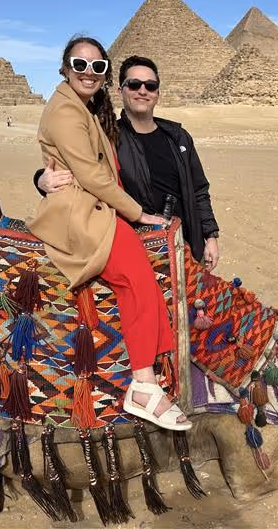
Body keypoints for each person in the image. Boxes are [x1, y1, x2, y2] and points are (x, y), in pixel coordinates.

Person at [26, 36, 190, 431]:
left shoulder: (90, 110)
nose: (88, 73)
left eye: (97, 67)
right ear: (65, 68)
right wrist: (138, 213)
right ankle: (144, 387)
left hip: (93, 205)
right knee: (134, 274)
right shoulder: (66, 111)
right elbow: (88, 173)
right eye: (79, 65)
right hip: (81, 212)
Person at [37, 55, 220, 270]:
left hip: (186, 242)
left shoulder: (179, 137)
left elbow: (199, 190)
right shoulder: (106, 138)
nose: (142, 91)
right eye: (134, 85)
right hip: (135, 247)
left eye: (150, 86)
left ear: (158, 94)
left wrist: (210, 236)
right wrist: (41, 179)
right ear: (120, 91)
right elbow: (81, 171)